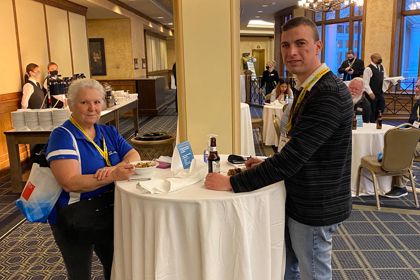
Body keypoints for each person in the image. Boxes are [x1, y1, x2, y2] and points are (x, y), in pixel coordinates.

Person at [205, 17, 352, 280]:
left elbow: (291, 159)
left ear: (318, 46)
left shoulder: (327, 92)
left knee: (314, 273)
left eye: (300, 43)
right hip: (301, 195)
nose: (291, 52)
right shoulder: (308, 87)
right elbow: (299, 147)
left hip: (315, 204)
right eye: (286, 45)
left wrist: (232, 183)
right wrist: (265, 165)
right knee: (289, 266)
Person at [46, 79, 141, 280]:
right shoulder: (62, 136)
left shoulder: (107, 131)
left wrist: (112, 169)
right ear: (71, 105)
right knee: (80, 274)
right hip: (76, 214)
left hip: (108, 210)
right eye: (84, 102)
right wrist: (114, 175)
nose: (92, 108)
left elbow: (134, 156)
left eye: (97, 102)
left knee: (116, 268)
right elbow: (70, 181)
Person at [385, 77, 420, 198]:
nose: (415, 89)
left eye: (418, 87)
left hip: (417, 140)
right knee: (393, 143)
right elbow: (412, 122)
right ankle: (389, 179)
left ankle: (400, 186)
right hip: (414, 136)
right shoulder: (418, 103)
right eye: (416, 86)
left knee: (405, 150)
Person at [363, 53, 386, 122]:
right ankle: (371, 123)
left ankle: (377, 121)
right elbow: (365, 83)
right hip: (372, 93)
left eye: (380, 57)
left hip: (380, 93)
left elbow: (385, 78)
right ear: (373, 59)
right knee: (372, 110)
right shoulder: (368, 69)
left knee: (381, 108)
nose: (380, 59)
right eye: (378, 58)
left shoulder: (382, 67)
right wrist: (370, 93)